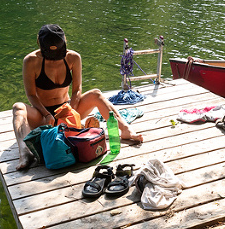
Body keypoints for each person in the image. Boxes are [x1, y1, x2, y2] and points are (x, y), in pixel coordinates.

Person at [13, 24, 143, 170]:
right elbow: (31, 94)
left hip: (68, 109)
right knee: (18, 107)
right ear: (40, 44)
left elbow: (77, 89)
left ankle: (125, 129)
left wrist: (70, 110)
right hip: (42, 115)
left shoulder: (73, 57)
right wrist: (46, 114)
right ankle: (25, 151)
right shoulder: (31, 61)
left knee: (96, 94)